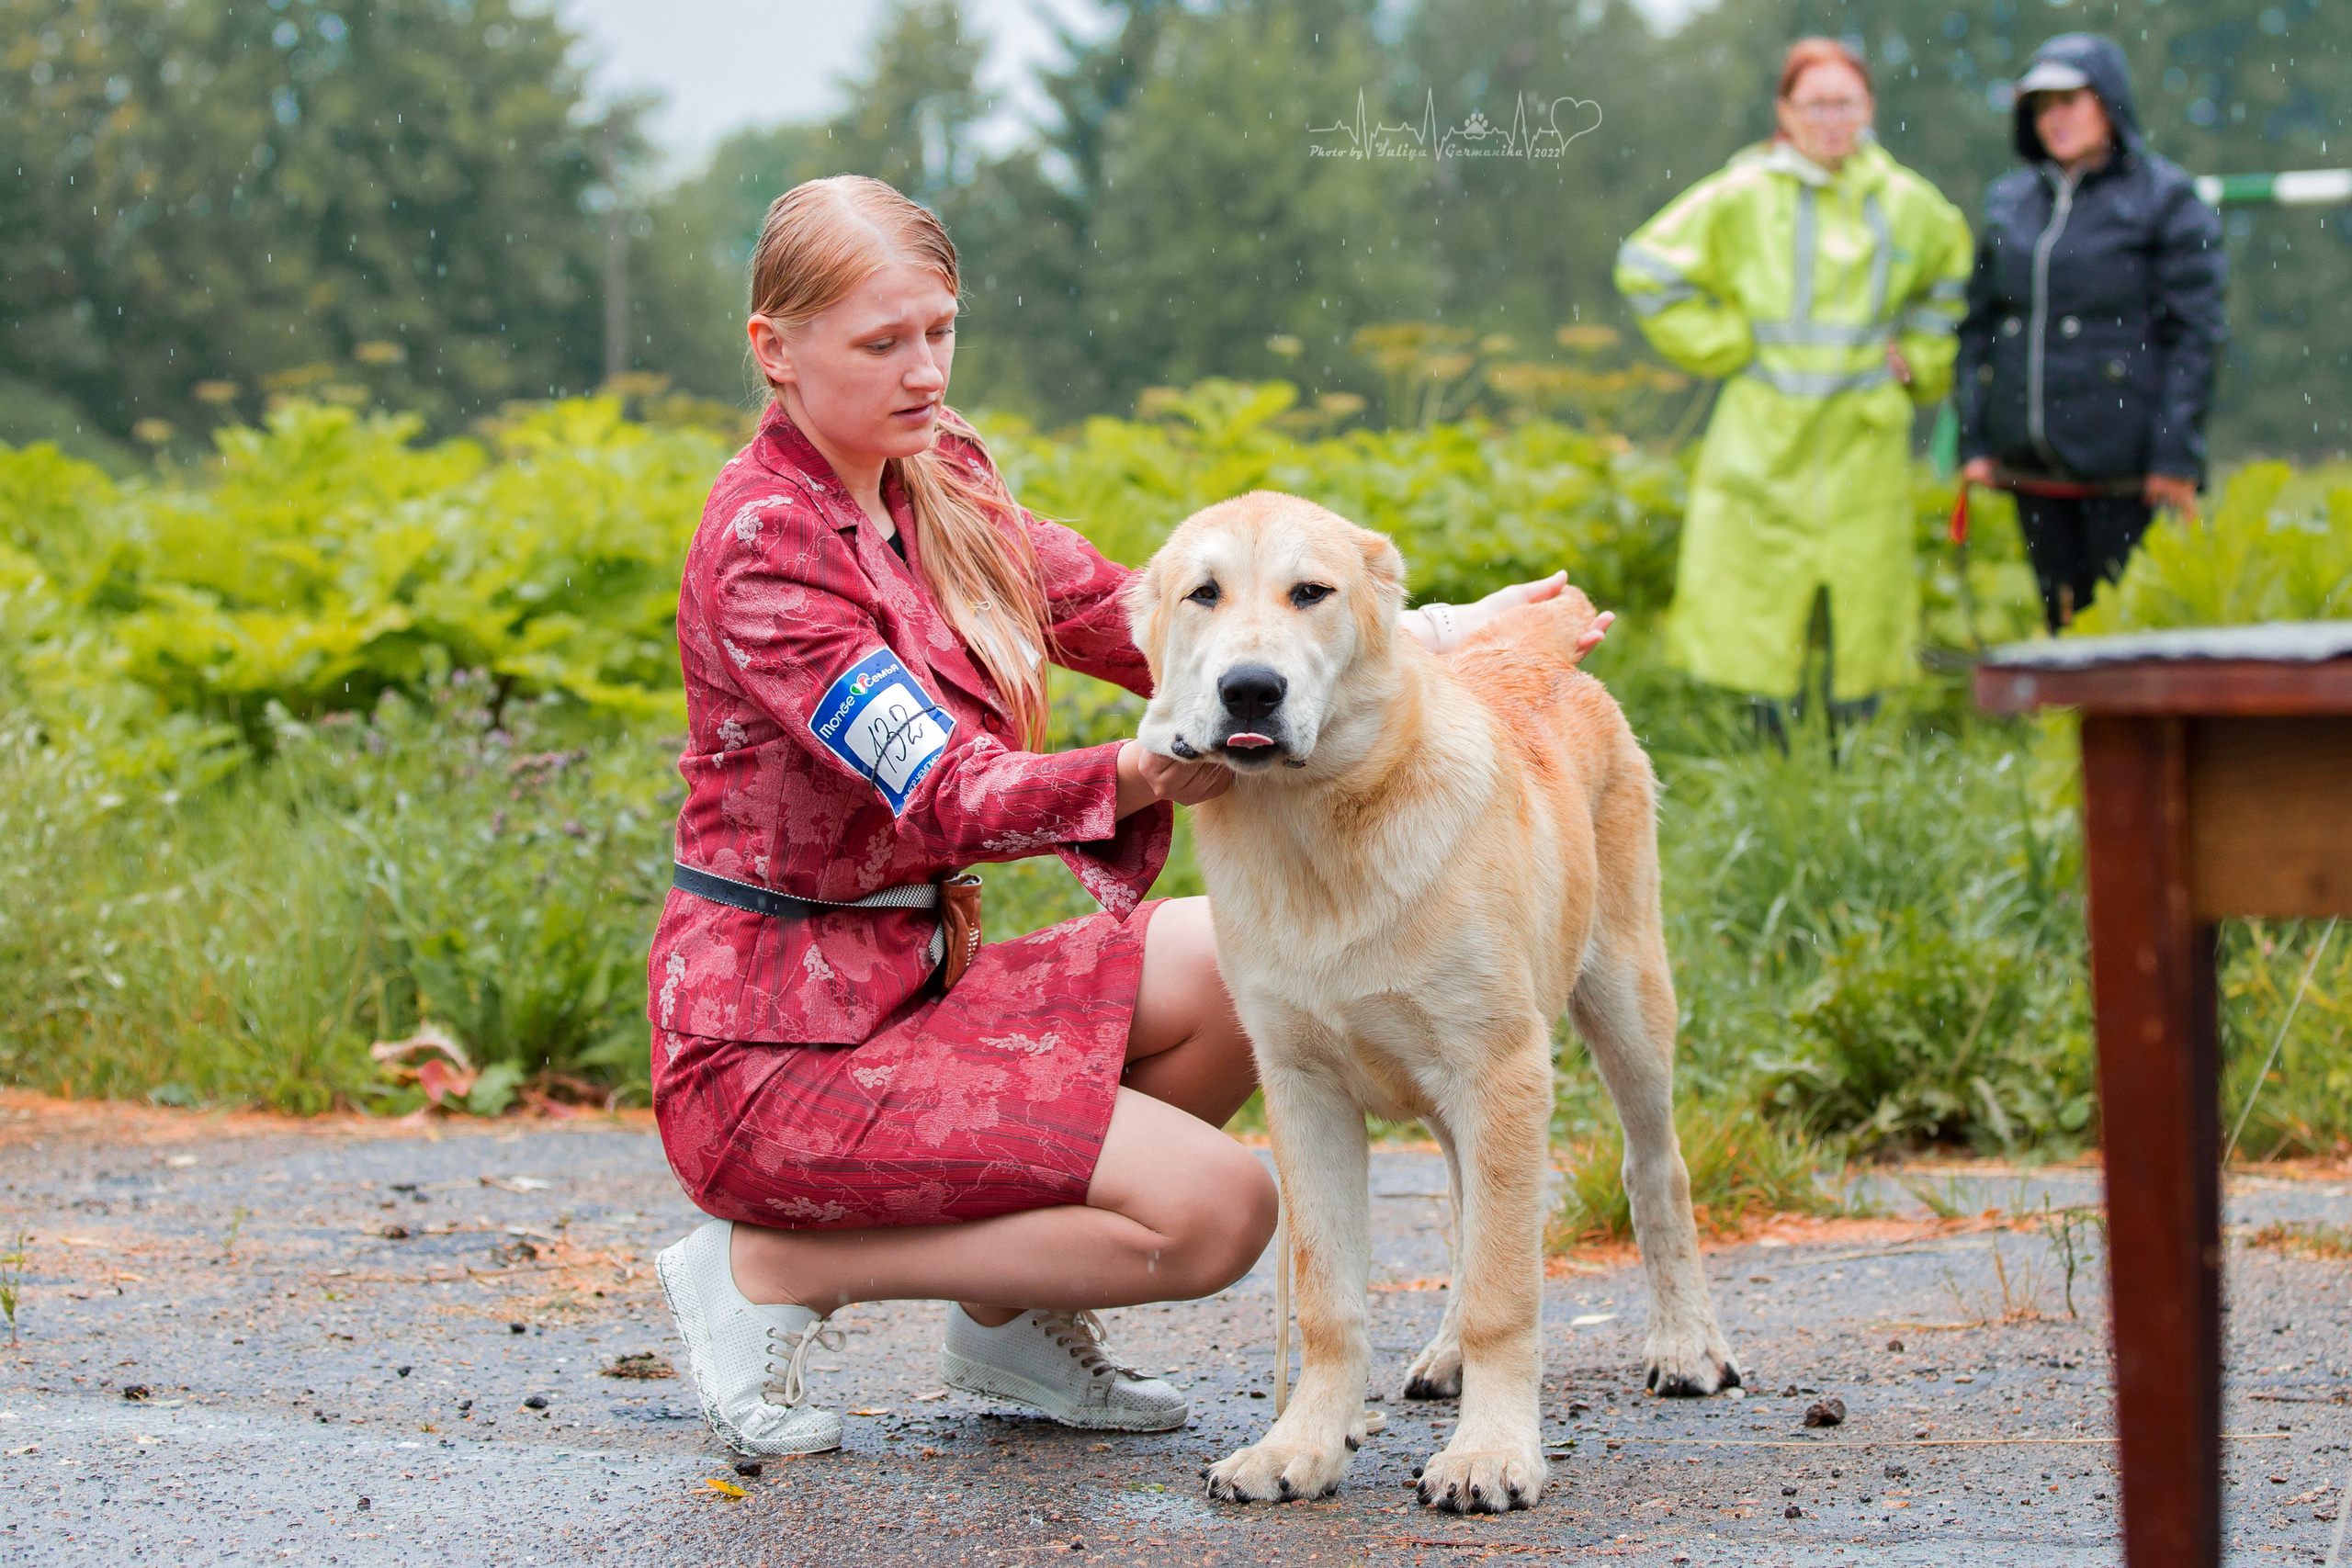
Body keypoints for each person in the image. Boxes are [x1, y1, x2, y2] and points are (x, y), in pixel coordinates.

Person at [645, 175, 1595, 1458]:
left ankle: (1009, 1313)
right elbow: (947, 791)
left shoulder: (938, 475)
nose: (926, 372)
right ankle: (766, 1266)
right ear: (774, 348)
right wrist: (1151, 770)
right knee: (1215, 1212)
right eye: (883, 343)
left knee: (1225, 958)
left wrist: (1427, 633)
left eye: (941, 330)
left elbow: (1138, 616)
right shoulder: (768, 540)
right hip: (778, 1048)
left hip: (918, 983)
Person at [1615, 38, 1973, 746]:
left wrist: (1926, 362)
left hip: (1863, 440)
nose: (1832, 118)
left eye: (1846, 102)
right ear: (1785, 110)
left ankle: (1854, 762)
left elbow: (1952, 281)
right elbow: (1648, 267)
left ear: (1869, 107)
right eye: (1815, 104)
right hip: (1762, 436)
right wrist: (1725, 345)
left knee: (1864, 606)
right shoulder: (1743, 194)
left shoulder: (1908, 204)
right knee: (1756, 603)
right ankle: (1764, 764)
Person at [1955, 34, 2227, 632]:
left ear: (2108, 101)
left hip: (2129, 471)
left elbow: (2195, 335)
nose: (2055, 118)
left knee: (2132, 634)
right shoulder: (2009, 201)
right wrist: (1975, 441)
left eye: (2069, 100)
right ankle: (2067, 725)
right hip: (2034, 467)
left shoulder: (2167, 199)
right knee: (2063, 622)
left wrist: (2176, 454)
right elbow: (1976, 327)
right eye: (2042, 104)